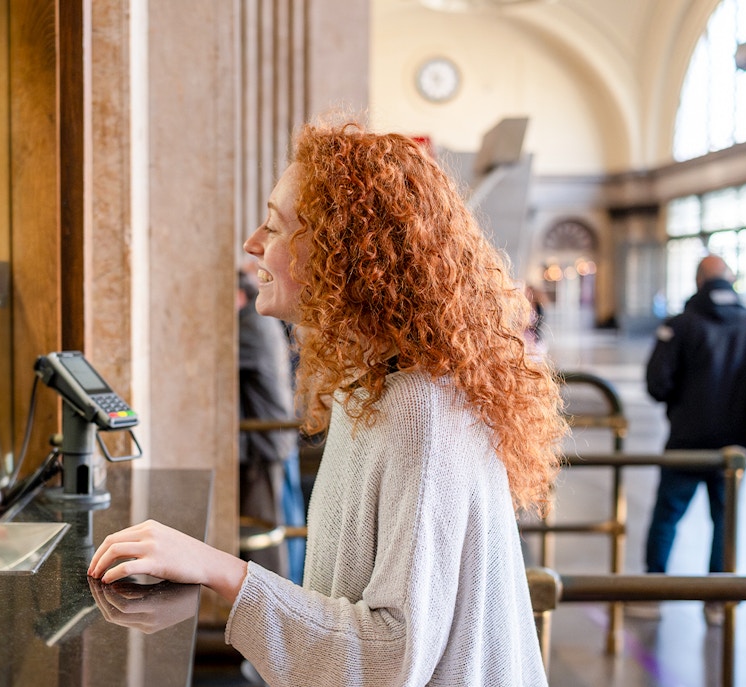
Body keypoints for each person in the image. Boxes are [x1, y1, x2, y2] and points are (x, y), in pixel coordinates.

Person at [89, 121, 566, 686]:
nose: (252, 243)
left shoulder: (421, 411)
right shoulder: (373, 383)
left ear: (346, 253)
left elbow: (391, 659)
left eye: (275, 225)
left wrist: (218, 570)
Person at [639, 254, 746, 625]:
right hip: (735, 446)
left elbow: (657, 384)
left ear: (698, 281)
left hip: (687, 441)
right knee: (725, 520)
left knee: (667, 515)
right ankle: (717, 602)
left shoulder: (681, 324)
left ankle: (652, 594)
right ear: (729, 279)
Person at [236, 269, 303, 583]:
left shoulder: (249, 324)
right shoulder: (256, 319)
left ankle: (274, 612)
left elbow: (212, 362)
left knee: (265, 535)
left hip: (265, 444)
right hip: (273, 438)